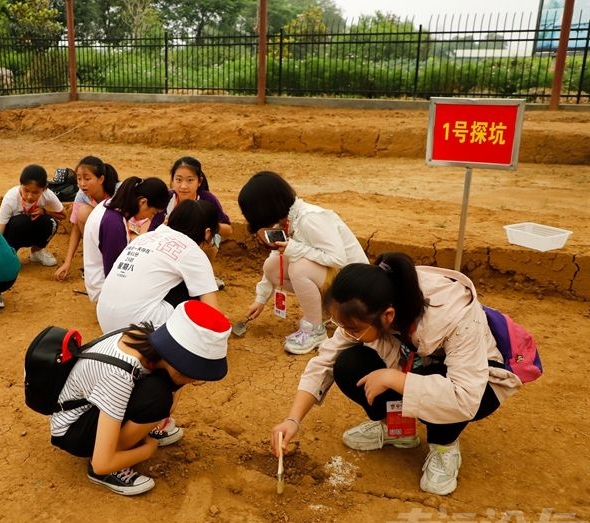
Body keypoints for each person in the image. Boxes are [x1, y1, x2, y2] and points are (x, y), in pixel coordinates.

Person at [270, 252, 523, 495]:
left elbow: (465, 396)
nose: (346, 331)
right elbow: (325, 360)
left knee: (440, 384)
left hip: (479, 384)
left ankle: (445, 447)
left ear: (388, 315)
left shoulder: (455, 316)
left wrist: (393, 378)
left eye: (352, 327)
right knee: (347, 363)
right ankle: (398, 430)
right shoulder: (368, 304)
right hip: (419, 366)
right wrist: (293, 419)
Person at [50, 300, 231, 496]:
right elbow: (102, 463)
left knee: (160, 396)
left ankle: (132, 434)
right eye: (193, 373)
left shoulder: (152, 339)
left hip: (90, 406)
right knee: (157, 398)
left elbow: (172, 393)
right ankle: (111, 466)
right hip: (72, 429)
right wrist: (148, 448)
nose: (194, 380)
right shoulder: (120, 374)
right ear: (178, 359)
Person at [237, 171, 368, 355]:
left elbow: (338, 258)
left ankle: (315, 330)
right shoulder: (289, 221)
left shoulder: (309, 219)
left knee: (300, 268)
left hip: (357, 290)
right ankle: (322, 313)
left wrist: (293, 249)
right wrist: (260, 299)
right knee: (272, 267)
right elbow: (277, 261)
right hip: (338, 281)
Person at [96, 199, 222, 333]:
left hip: (106, 322)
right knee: (194, 292)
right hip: (139, 330)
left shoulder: (145, 237)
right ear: (207, 233)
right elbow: (213, 315)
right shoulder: (192, 251)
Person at [82, 176, 170, 302]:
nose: (150, 218)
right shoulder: (113, 223)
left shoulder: (109, 206)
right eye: (153, 213)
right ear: (143, 202)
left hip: (100, 283)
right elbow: (115, 273)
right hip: (105, 292)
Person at [149, 156, 232, 289]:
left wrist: (204, 224)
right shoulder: (166, 199)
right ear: (172, 181)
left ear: (199, 182)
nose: (183, 186)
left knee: (212, 239)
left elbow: (228, 229)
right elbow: (151, 231)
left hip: (199, 244)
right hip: (169, 247)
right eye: (178, 179)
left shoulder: (207, 199)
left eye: (190, 180)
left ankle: (204, 275)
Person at [54, 156, 119, 280]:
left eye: (87, 178)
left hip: (120, 237)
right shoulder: (82, 194)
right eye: (79, 179)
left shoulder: (118, 192)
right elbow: (76, 228)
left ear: (101, 179)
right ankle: (96, 261)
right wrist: (67, 262)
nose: (82, 184)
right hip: (101, 238)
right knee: (82, 213)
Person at [0, 164, 66, 267]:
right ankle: (9, 254)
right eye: (26, 190)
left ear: (44, 189)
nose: (29, 196)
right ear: (21, 185)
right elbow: (1, 225)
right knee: (22, 221)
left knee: (51, 222)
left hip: (31, 231)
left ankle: (37, 252)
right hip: (11, 233)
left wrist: (45, 211)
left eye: (35, 192)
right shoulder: (10, 198)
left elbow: (63, 215)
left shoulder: (48, 195)